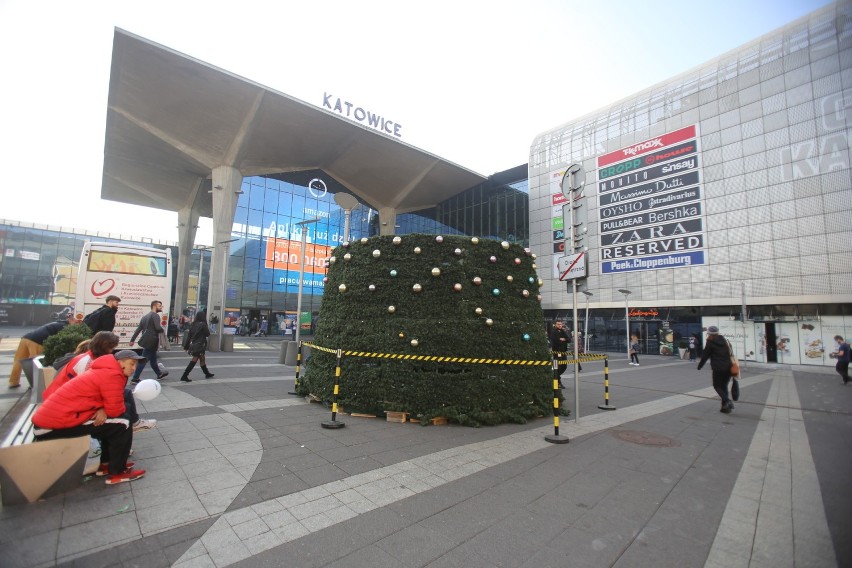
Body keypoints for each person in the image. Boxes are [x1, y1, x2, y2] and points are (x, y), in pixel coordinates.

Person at [31, 350, 147, 485]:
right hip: (52, 425)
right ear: (119, 362)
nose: (134, 368)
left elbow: (114, 404)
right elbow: (115, 410)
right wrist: (105, 409)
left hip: (57, 419)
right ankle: (117, 472)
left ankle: (106, 463)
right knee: (123, 423)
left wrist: (103, 409)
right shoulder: (112, 374)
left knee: (121, 414)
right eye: (131, 364)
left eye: (135, 365)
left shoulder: (105, 370)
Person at [45, 331, 156, 431]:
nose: (112, 351)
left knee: (123, 400)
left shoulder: (91, 358)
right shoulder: (86, 362)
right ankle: (124, 434)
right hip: (65, 406)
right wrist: (100, 409)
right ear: (104, 347)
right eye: (111, 348)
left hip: (67, 401)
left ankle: (131, 426)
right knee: (121, 408)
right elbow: (85, 392)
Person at [8, 315, 80, 389]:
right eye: (76, 322)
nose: (77, 324)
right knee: (35, 364)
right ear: (71, 320)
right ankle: (34, 383)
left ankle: (13, 382)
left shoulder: (58, 323)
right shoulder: (64, 327)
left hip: (26, 338)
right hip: (38, 342)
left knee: (18, 361)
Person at [129, 300, 169, 383]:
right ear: (154, 306)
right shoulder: (155, 316)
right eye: (160, 306)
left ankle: (159, 373)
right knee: (144, 359)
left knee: (153, 359)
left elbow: (138, 329)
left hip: (146, 340)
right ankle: (135, 378)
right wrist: (162, 329)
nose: (161, 308)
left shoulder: (145, 316)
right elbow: (158, 328)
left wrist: (132, 340)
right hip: (153, 340)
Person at [697, 326, 735, 413]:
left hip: (718, 368)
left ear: (709, 334)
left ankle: (727, 401)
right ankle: (725, 408)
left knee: (716, 385)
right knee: (724, 386)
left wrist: (700, 366)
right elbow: (731, 353)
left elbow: (705, 355)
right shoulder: (725, 341)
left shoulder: (710, 342)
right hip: (729, 367)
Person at [180, 312, 215, 382]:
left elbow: (189, 336)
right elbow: (207, 334)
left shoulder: (193, 324)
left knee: (202, 359)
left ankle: (207, 373)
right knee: (194, 359)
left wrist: (186, 347)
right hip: (200, 345)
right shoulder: (203, 324)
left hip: (195, 344)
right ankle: (184, 375)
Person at [549, 321, 570, 388]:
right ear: (555, 324)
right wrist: (563, 340)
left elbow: (569, 339)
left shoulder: (563, 331)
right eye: (558, 324)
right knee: (558, 367)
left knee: (564, 366)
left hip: (563, 352)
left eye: (561, 324)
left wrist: (563, 339)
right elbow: (556, 341)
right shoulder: (553, 332)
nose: (560, 325)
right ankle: (558, 381)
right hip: (557, 352)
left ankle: (555, 376)